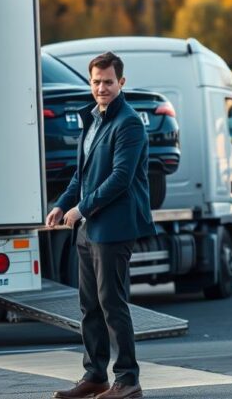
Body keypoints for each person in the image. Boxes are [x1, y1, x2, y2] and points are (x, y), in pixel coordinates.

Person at [46, 51, 155, 399]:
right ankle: (95, 376)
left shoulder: (129, 123)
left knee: (112, 303)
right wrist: (62, 203)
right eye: (96, 82)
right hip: (88, 228)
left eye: (108, 81)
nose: (102, 88)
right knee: (89, 304)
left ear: (121, 82)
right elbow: (83, 174)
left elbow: (120, 178)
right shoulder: (93, 120)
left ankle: (127, 380)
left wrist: (80, 209)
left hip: (115, 227)